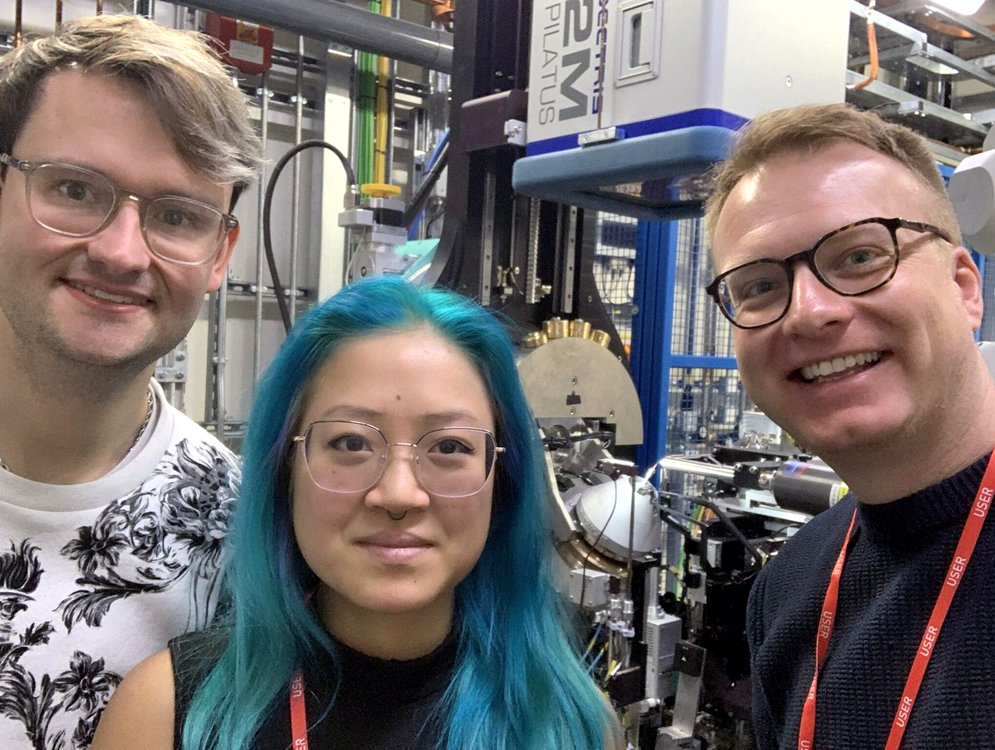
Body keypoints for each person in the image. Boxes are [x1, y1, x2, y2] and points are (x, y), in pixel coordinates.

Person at [90, 276, 621, 750]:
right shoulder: (166, 718)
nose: (398, 494)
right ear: (285, 470)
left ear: (501, 480)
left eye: (451, 448)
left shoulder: (571, 726)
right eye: (349, 442)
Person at [702, 102, 995, 749]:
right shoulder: (787, 595)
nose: (809, 313)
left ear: (964, 287)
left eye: (861, 255)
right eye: (757, 287)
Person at [0, 14, 260, 749]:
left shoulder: (243, 550)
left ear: (219, 254)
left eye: (178, 216)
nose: (120, 252)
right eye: (76, 190)